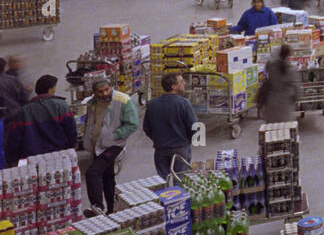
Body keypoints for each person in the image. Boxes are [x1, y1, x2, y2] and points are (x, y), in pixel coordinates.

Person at [83, 77, 139, 214]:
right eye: (100, 91)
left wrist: (114, 136)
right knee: (107, 177)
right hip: (97, 145)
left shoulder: (123, 100)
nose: (104, 94)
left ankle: (97, 206)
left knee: (92, 172)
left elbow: (132, 124)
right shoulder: (92, 103)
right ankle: (112, 210)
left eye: (106, 90)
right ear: (94, 92)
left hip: (114, 144)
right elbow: (90, 123)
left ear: (111, 87)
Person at [5, 75, 78, 166]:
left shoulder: (24, 111)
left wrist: (12, 159)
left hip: (32, 159)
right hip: (58, 156)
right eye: (55, 87)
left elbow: (15, 137)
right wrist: (72, 146)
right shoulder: (61, 106)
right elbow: (71, 130)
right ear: (50, 89)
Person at [143, 72, 198, 178]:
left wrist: (158, 139)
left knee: (164, 180)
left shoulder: (153, 104)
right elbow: (194, 126)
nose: (184, 83)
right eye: (181, 81)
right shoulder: (184, 103)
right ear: (174, 86)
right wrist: (187, 140)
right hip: (180, 148)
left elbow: (147, 128)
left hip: (161, 149)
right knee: (179, 179)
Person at [258, 45, 300, 123]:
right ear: (289, 55)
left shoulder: (271, 66)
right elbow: (297, 88)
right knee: (284, 127)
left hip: (271, 102)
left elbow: (266, 70)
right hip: (285, 104)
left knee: (271, 127)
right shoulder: (291, 70)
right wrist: (296, 98)